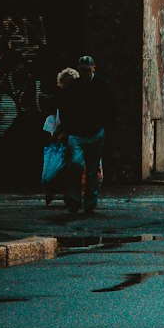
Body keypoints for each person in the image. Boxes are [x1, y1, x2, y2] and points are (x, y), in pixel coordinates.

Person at [59, 55, 116, 215]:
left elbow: (111, 107)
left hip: (94, 133)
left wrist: (105, 126)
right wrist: (66, 129)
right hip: (77, 133)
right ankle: (76, 201)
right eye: (82, 70)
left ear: (93, 68)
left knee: (91, 169)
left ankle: (89, 203)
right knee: (76, 166)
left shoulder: (102, 85)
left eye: (86, 70)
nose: (84, 73)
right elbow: (65, 108)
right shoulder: (74, 87)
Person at [41, 66, 78, 206]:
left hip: (66, 136)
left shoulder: (61, 97)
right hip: (69, 136)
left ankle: (55, 191)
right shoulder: (71, 98)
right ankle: (67, 193)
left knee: (62, 167)